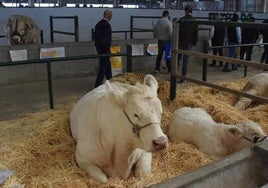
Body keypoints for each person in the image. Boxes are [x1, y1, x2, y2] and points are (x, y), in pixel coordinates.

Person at [177, 5, 198, 83]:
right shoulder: (194, 21)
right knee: (185, 61)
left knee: (177, 59)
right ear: (192, 12)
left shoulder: (180, 20)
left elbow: (176, 32)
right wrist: (194, 42)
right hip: (188, 43)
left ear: (185, 11)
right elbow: (196, 34)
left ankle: (174, 75)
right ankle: (183, 78)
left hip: (179, 42)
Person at [94, 9, 113, 88]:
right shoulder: (106, 25)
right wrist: (108, 49)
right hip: (104, 48)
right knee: (103, 65)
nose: (111, 17)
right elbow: (106, 39)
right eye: (110, 15)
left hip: (99, 47)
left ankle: (110, 79)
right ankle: (98, 84)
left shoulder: (98, 24)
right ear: (107, 15)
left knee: (107, 64)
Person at [154, 10, 172, 74]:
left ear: (162, 14)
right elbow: (170, 33)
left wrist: (158, 37)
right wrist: (171, 40)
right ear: (168, 15)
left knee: (159, 55)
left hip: (160, 41)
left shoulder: (158, 22)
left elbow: (155, 32)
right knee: (168, 56)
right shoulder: (168, 22)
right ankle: (170, 70)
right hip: (167, 41)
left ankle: (157, 69)